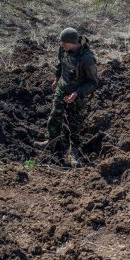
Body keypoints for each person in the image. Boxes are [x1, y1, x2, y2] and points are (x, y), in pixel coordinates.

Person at [34, 27, 98, 167]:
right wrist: (57, 79)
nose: (61, 45)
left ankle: (74, 151)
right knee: (55, 115)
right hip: (62, 88)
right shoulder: (63, 49)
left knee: (75, 123)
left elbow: (93, 82)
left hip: (77, 93)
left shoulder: (87, 58)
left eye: (64, 42)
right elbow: (60, 64)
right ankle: (51, 142)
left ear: (73, 43)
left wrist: (77, 94)